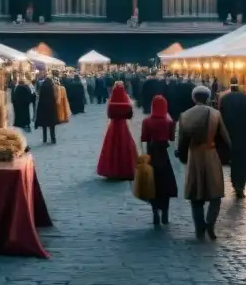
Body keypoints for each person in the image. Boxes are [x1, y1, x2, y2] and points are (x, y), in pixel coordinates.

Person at [178, 85, 230, 241]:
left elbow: (182, 143)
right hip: (211, 154)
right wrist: (225, 155)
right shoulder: (215, 114)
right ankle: (210, 225)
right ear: (208, 98)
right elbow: (225, 138)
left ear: (193, 98)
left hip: (194, 156)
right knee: (215, 194)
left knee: (196, 196)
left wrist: (183, 158)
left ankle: (199, 228)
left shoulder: (185, 115)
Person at [218, 76, 246, 198]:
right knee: (242, 164)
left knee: (232, 162)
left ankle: (234, 184)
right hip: (243, 136)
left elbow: (220, 117)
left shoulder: (224, 99)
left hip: (229, 136)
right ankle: (240, 186)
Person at [141, 94, 177, 225]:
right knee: (165, 185)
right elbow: (172, 140)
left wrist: (144, 156)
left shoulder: (146, 121)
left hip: (151, 155)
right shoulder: (169, 122)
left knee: (152, 185)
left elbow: (144, 139)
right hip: (164, 156)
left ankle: (155, 211)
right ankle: (165, 213)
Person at [97, 82, 138, 180]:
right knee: (125, 146)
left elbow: (109, 115)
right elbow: (129, 116)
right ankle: (126, 170)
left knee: (112, 146)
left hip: (113, 126)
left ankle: (111, 170)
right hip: (123, 126)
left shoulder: (111, 103)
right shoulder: (126, 103)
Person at [34, 76, 60, 144]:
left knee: (44, 125)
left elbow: (40, 97)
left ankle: (44, 139)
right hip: (51, 107)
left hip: (43, 107)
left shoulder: (42, 87)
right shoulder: (51, 87)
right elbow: (54, 97)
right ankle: (53, 139)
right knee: (52, 125)